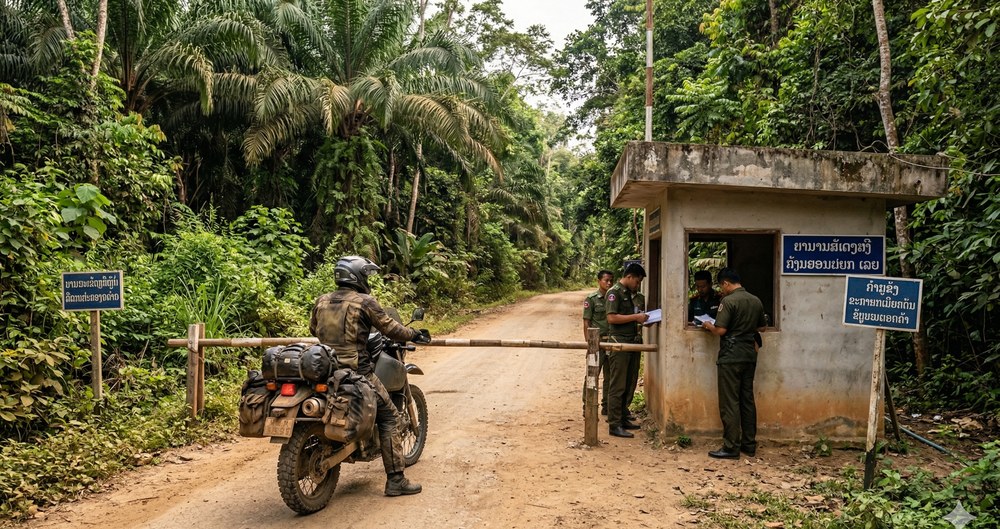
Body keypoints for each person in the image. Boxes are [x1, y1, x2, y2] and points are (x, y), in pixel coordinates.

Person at [309, 255, 431, 496]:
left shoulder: (321, 301)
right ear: (357, 276)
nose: (367, 280)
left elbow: (314, 329)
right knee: (390, 417)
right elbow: (389, 328)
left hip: (324, 370)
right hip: (358, 372)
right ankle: (396, 480)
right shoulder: (364, 302)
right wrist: (414, 334)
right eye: (366, 275)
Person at [700, 268, 767, 459]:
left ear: (726, 283)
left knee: (730, 402)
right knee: (747, 400)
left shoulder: (728, 301)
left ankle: (731, 447)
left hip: (731, 356)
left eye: (722, 286)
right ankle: (749, 444)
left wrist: (708, 326)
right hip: (749, 355)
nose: (722, 290)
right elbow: (762, 327)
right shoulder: (755, 300)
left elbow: (721, 330)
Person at [604, 262, 648, 438]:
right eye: (637, 281)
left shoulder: (630, 294)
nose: (638, 285)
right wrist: (636, 317)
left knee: (629, 382)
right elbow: (611, 318)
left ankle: (623, 416)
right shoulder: (614, 293)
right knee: (618, 385)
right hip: (619, 343)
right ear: (629, 277)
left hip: (632, 342)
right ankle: (614, 424)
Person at [583, 270, 614, 415]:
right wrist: (589, 344)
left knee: (610, 376)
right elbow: (586, 322)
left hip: (612, 342)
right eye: (606, 280)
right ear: (599, 281)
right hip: (597, 342)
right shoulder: (592, 299)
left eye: (611, 281)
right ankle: (588, 406)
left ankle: (606, 406)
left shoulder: (613, 298)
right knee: (592, 375)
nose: (609, 283)